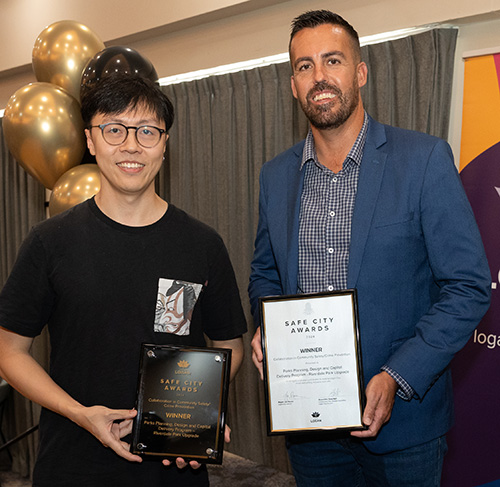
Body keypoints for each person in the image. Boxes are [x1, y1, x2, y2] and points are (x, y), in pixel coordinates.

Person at [248, 10, 491, 487]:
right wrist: (265, 326)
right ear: (292, 86)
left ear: (360, 72)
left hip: (405, 428)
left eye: (332, 60)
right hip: (310, 427)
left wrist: (396, 376)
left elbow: (467, 287)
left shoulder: (422, 160)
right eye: (304, 66)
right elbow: (265, 274)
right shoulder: (275, 178)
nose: (319, 77)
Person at [0, 74, 247, 487]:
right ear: (90, 140)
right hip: (73, 465)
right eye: (114, 129)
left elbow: (229, 347)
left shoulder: (202, 244)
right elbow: (10, 351)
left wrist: (203, 411)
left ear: (164, 144)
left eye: (148, 131)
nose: (131, 145)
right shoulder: (50, 241)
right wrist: (80, 413)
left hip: (172, 469)